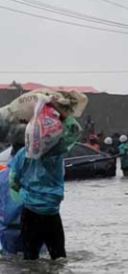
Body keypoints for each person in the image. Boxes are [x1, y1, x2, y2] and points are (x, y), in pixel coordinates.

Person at [9, 101, 82, 260]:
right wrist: (58, 109)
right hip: (52, 213)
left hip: (29, 213)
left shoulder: (22, 154)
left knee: (30, 259)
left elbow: (13, 182)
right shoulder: (57, 151)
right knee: (59, 258)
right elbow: (75, 130)